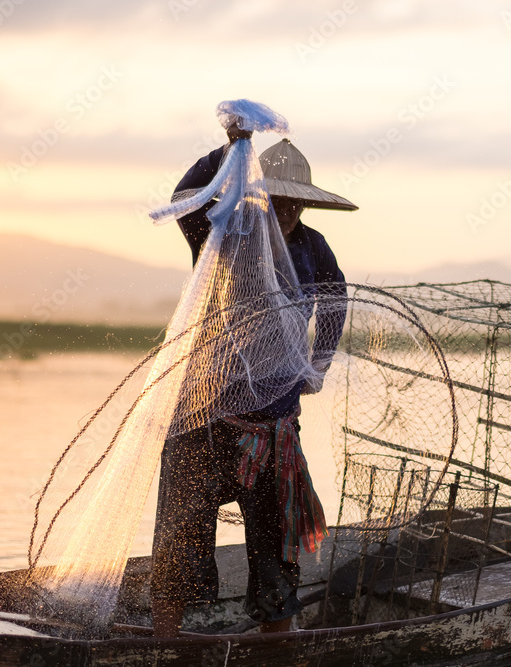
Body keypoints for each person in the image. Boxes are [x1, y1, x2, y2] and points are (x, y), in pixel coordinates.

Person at [150, 125, 357, 637]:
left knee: (275, 542)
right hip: (207, 418)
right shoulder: (226, 232)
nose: (287, 210)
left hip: (276, 428)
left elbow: (336, 303)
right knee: (180, 533)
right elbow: (183, 199)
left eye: (296, 203)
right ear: (258, 194)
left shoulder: (313, 246)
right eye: (277, 198)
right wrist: (231, 148)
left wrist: (319, 367)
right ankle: (165, 643)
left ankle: (276, 644)